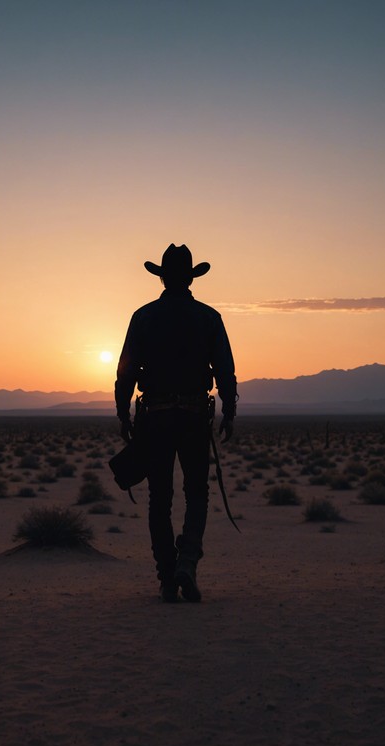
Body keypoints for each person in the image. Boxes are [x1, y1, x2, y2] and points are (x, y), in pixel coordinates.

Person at [115, 243, 237, 603]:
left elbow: (125, 372)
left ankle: (167, 576)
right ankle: (186, 562)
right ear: (191, 278)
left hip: (156, 418)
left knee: (160, 499)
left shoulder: (143, 317)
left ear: (163, 277)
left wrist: (123, 414)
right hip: (196, 416)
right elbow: (225, 370)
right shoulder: (209, 318)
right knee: (197, 493)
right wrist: (228, 412)